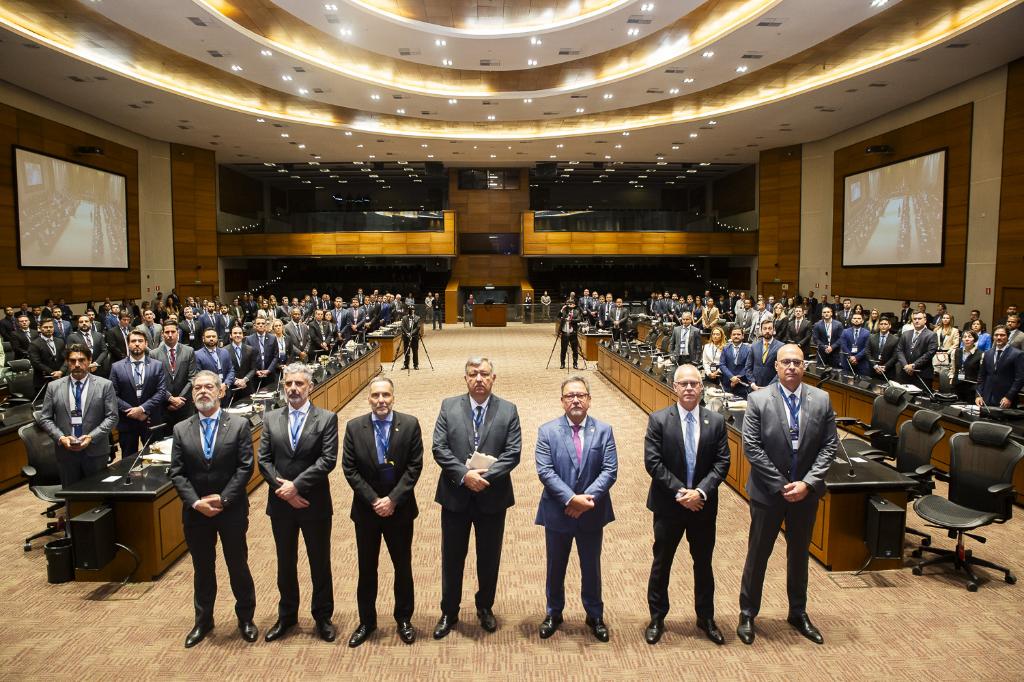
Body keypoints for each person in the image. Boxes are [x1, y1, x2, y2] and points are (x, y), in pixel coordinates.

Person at [737, 344, 837, 646]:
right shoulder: (758, 399)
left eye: (797, 362)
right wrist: (781, 484)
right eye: (786, 362)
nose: (791, 367)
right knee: (758, 554)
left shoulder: (821, 399)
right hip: (768, 492)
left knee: (799, 555)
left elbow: (829, 446)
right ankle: (747, 613)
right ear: (776, 367)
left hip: (805, 493)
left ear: (804, 366)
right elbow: (751, 446)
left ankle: (798, 611)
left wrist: (807, 483)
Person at [431, 357, 522, 640]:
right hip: (455, 496)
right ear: (466, 378)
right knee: (452, 557)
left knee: (489, 557)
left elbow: (513, 453)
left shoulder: (508, 410)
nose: (479, 379)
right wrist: (464, 475)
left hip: (492, 497)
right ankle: (449, 611)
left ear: (493, 378)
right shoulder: (448, 406)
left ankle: (485, 607)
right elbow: (439, 448)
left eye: (484, 374)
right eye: (473, 374)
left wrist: (484, 477)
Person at [169, 370, 258, 648]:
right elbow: (177, 473)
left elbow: (245, 467)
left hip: (231, 510)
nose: (203, 391)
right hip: (196, 512)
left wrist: (224, 499)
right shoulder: (181, 429)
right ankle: (203, 621)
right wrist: (196, 502)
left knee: (237, 565)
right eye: (197, 388)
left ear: (221, 391)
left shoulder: (239, 425)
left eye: (209, 387)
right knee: (202, 568)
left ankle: (246, 618)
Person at [643, 364, 730, 646]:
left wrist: (700, 493)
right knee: (662, 563)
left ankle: (706, 618)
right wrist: (682, 492)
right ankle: (657, 617)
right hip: (669, 506)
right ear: (675, 387)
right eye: (684, 384)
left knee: (703, 564)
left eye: (694, 383)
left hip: (702, 507)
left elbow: (722, 463)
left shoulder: (715, 421)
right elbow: (653, 463)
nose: (690, 388)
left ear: (702, 387)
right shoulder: (658, 420)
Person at [258, 363, 339, 643]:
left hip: (314, 502)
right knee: (285, 562)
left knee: (320, 562)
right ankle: (287, 615)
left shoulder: (326, 418)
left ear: (310, 387)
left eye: (299, 384)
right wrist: (285, 490)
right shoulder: (271, 418)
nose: (293, 388)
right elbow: (264, 460)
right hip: (281, 504)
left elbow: (327, 460)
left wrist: (297, 486)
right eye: (288, 384)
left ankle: (322, 616)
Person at [534, 376, 617, 642]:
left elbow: (609, 470)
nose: (576, 400)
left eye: (581, 395)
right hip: (558, 512)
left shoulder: (604, 430)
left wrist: (585, 501)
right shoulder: (547, 431)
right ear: (562, 402)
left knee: (591, 567)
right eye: (570, 396)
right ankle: (553, 612)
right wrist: (571, 500)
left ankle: (594, 615)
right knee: (555, 566)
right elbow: (545, 471)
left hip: (592, 512)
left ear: (589, 400)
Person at [341, 377, 423, 647]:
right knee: (367, 568)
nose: (381, 401)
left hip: (400, 510)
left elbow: (414, 466)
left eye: (386, 395)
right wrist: (375, 500)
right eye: (375, 396)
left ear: (393, 397)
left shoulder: (409, 424)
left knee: (402, 567)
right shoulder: (355, 427)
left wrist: (393, 500)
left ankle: (404, 619)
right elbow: (349, 469)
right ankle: (367, 621)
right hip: (367, 511)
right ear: (369, 399)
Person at [37, 344, 118, 487]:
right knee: (71, 495)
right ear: (67, 362)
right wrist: (61, 438)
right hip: (66, 453)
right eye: (72, 361)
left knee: (97, 494)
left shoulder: (105, 385)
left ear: (89, 360)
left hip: (95, 451)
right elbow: (45, 418)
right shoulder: (54, 387)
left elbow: (112, 417)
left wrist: (91, 437)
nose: (77, 364)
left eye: (81, 360)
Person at [110, 331, 167, 459]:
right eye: (133, 341)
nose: (137, 344)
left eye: (140, 341)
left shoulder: (157, 365)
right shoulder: (116, 367)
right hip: (127, 420)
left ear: (146, 343)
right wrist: (132, 411)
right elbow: (112, 394)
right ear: (128, 344)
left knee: (155, 458)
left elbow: (161, 392)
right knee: (128, 460)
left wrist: (142, 409)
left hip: (150, 418)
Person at [150, 320, 197, 433]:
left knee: (188, 437)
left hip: (185, 405)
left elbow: (192, 378)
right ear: (162, 334)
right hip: (165, 406)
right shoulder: (153, 354)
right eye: (167, 332)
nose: (170, 335)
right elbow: (155, 381)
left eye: (173, 331)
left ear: (178, 333)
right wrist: (170, 399)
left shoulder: (189, 351)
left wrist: (180, 400)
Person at [975, 326, 1024, 408]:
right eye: (996, 335)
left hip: (1005, 400)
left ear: (1008, 337)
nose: (998, 337)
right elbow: (981, 376)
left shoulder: (1017, 354)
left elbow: (1020, 378)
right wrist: (978, 395)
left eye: (1002, 335)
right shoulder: (987, 353)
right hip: (986, 399)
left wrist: (1009, 396)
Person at [896, 312, 938, 386]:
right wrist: (905, 366)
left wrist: (913, 365)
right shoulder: (906, 334)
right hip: (905, 372)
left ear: (925, 320)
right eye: (915, 319)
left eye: (919, 318)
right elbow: (899, 350)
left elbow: (930, 353)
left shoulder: (931, 335)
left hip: (922, 373)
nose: (917, 321)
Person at [195, 329, 235, 404]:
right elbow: (199, 375)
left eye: (213, 336)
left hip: (226, 391)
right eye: (208, 337)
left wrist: (225, 384)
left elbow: (231, 370)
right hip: (209, 394)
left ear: (217, 338)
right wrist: (214, 387)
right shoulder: (197, 355)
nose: (211, 338)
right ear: (203, 339)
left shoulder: (225, 352)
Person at [28, 318, 65, 394]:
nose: (48, 329)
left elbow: (66, 359)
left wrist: (61, 371)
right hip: (44, 380)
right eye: (45, 327)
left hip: (61, 378)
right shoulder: (34, 344)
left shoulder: (60, 341)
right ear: (40, 328)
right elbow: (36, 363)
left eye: (51, 327)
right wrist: (53, 373)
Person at [745, 320, 783, 390]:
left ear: (774, 330)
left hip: (773, 388)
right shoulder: (754, 346)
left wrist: (770, 386)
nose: (767, 331)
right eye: (765, 328)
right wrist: (752, 383)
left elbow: (782, 370)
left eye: (770, 328)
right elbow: (748, 367)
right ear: (761, 330)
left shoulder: (781, 347)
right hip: (755, 387)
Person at [246, 317, 279, 392]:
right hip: (255, 376)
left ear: (266, 325)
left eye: (263, 323)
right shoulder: (249, 339)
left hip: (270, 375)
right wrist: (256, 371)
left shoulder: (273, 338)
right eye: (258, 323)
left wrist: (269, 370)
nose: (261, 325)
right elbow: (248, 358)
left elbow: (276, 356)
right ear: (255, 326)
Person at [951, 329, 983, 402]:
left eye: (969, 337)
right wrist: (951, 377)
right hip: (957, 386)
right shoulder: (955, 352)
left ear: (974, 339)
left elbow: (981, 374)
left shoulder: (981, 354)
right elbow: (953, 368)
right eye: (964, 337)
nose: (967, 339)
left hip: (971, 389)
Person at [227, 326, 256, 403]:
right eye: (235, 333)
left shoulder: (250, 349)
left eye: (240, 333)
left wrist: (244, 380)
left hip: (247, 387)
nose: (238, 335)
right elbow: (225, 370)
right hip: (232, 388)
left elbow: (253, 369)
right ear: (231, 335)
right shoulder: (224, 351)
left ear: (243, 335)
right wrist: (235, 381)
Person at [720, 327, 751, 398]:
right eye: (734, 334)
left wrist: (737, 378)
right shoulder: (725, 348)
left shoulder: (748, 349)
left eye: (738, 334)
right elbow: (722, 365)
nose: (736, 336)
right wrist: (731, 377)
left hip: (742, 384)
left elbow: (748, 366)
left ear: (743, 336)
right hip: (727, 384)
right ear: (731, 336)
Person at [933, 313, 960, 392]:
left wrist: (948, 352)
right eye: (944, 318)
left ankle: (944, 390)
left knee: (944, 373)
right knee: (935, 372)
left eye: (947, 318)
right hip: (937, 353)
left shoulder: (954, 330)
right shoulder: (937, 329)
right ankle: (935, 389)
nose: (945, 319)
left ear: (950, 320)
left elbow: (956, 344)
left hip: (948, 353)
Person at [867, 317, 900, 381]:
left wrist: (885, 366)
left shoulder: (895, 339)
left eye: (885, 324)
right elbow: (867, 352)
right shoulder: (871, 337)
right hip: (873, 370)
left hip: (888, 371)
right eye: (881, 324)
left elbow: (895, 356)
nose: (883, 326)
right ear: (879, 326)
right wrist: (875, 366)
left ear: (889, 326)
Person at [838, 312, 871, 376]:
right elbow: (843, 346)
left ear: (862, 321)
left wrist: (856, 357)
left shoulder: (867, 333)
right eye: (855, 318)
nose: (856, 320)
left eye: (859, 318)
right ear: (852, 320)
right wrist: (850, 357)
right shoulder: (845, 331)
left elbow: (867, 348)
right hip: (847, 362)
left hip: (861, 363)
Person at [557, 300, 582, 370]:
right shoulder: (564, 311)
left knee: (575, 349)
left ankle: (575, 364)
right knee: (563, 349)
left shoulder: (577, 311)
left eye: (571, 304)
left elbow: (579, 319)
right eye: (568, 304)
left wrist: (571, 320)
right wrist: (562, 309)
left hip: (573, 333)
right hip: (564, 332)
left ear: (574, 305)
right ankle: (562, 364)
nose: (569, 305)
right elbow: (558, 316)